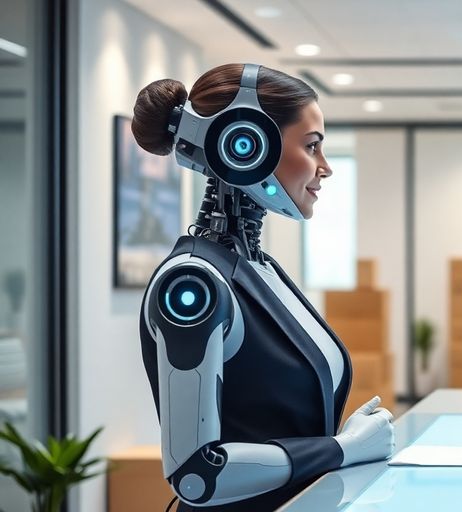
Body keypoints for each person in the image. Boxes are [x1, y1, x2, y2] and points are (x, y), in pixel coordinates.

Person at [133, 63, 395, 511]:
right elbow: (196, 474)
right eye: (312, 146)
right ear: (246, 144)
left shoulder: (256, 268)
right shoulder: (193, 283)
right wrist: (344, 448)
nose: (325, 168)